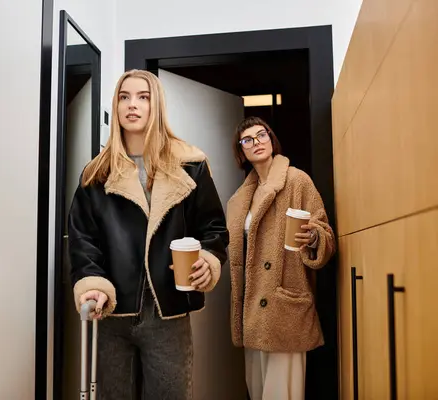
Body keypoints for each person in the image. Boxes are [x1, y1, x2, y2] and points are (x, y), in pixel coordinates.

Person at [67, 69, 229, 399]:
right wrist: (92, 283)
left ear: (156, 105)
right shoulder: (96, 173)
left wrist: (208, 261)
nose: (132, 104)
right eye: (124, 97)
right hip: (112, 311)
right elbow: (83, 239)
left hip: (167, 311)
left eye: (143, 97)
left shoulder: (190, 165)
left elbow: (213, 227)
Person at [226, 116, 336, 400]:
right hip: (252, 310)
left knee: (281, 393)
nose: (256, 142)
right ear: (242, 152)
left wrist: (313, 237)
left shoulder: (297, 181)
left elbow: (324, 231)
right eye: (247, 140)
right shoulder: (239, 200)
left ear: (271, 139)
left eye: (261, 135)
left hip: (284, 305)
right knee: (258, 389)